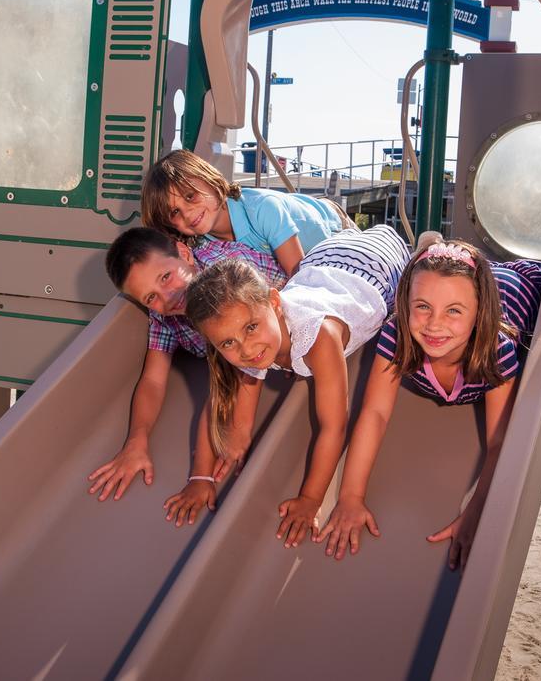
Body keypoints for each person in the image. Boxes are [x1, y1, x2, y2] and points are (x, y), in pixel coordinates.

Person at [316, 233, 541, 570]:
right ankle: (436, 248)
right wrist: (351, 496)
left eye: (453, 312)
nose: (434, 323)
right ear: (405, 305)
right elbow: (375, 413)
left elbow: (500, 441)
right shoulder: (397, 335)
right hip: (479, 282)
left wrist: (476, 513)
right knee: (459, 287)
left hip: (521, 287)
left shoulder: (495, 349)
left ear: (478, 314)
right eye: (422, 307)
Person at [164, 224, 411, 543]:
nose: (246, 350)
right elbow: (234, 409)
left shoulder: (320, 336)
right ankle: (348, 231)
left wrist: (311, 499)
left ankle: (416, 244)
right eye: (227, 344)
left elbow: (333, 427)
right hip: (322, 264)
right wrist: (202, 475)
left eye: (251, 327)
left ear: (275, 302)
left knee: (405, 274)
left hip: (378, 265)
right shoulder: (249, 341)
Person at [86, 227, 286, 503]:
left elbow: (244, 366)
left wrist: (234, 433)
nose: (167, 297)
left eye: (166, 277)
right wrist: (137, 439)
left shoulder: (229, 278)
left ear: (183, 253)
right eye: (151, 298)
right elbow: (153, 381)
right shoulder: (166, 318)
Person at [141, 149, 345, 277]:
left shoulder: (263, 209)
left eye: (190, 196)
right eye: (175, 212)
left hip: (333, 225)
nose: (187, 214)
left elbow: (298, 277)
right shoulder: (203, 246)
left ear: (211, 181)